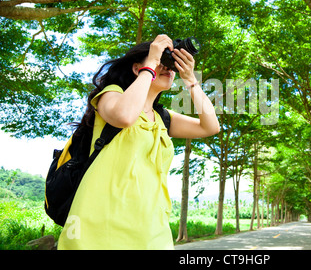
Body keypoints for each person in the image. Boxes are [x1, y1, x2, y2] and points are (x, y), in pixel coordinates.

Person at [57, 34, 220, 249]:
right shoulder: (111, 96)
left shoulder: (162, 118)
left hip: (151, 231)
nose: (167, 67)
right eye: (162, 61)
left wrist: (191, 79)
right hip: (99, 227)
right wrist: (152, 61)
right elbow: (125, 116)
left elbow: (210, 127)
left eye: (169, 64)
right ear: (137, 69)